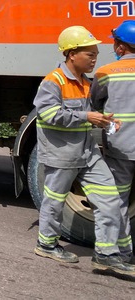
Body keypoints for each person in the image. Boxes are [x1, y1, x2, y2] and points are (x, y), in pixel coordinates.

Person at [32, 25, 135, 279]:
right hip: (62, 154)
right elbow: (47, 114)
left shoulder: (87, 83)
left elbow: (89, 117)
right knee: (55, 200)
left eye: (96, 54)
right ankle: (46, 244)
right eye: (90, 54)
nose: (95, 59)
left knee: (110, 198)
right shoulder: (53, 81)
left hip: (88, 153)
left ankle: (106, 255)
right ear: (71, 54)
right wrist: (86, 116)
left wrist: (105, 120)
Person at [91, 20, 135, 265]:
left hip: (121, 147)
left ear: (120, 47)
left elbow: (95, 105)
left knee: (118, 201)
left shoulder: (106, 73)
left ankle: (124, 253)